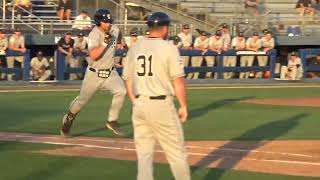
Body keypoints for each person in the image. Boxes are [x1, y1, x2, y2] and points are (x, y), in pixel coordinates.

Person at [122, 11, 191, 180]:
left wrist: (135, 100)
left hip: (140, 104)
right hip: (161, 104)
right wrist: (183, 105)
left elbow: (128, 79)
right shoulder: (169, 48)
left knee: (144, 155)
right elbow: (179, 81)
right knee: (176, 153)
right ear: (165, 28)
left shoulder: (135, 47)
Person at [60, 8, 126, 136]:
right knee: (81, 102)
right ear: (99, 22)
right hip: (94, 73)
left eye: (109, 21)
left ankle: (112, 120)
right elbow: (94, 55)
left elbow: (119, 39)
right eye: (105, 22)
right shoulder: (94, 35)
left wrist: (120, 44)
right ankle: (69, 117)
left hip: (110, 73)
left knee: (121, 91)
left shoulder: (115, 29)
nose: (108, 24)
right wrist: (104, 43)